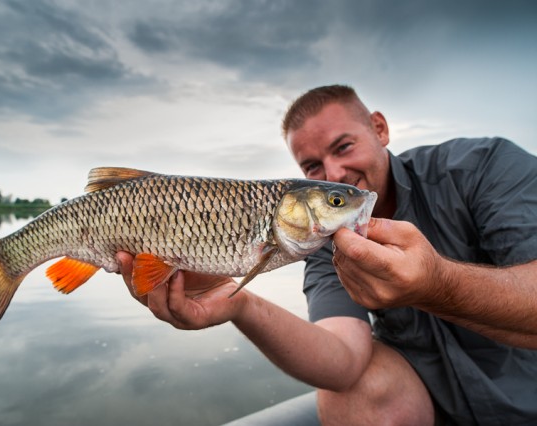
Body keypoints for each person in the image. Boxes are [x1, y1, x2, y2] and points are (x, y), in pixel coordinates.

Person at [115, 85, 537, 425]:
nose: (334, 174)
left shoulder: (484, 169)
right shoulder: (320, 236)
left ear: (380, 128)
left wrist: (434, 284)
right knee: (355, 388)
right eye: (312, 167)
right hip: (428, 402)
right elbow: (343, 360)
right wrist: (238, 303)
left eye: (343, 147)